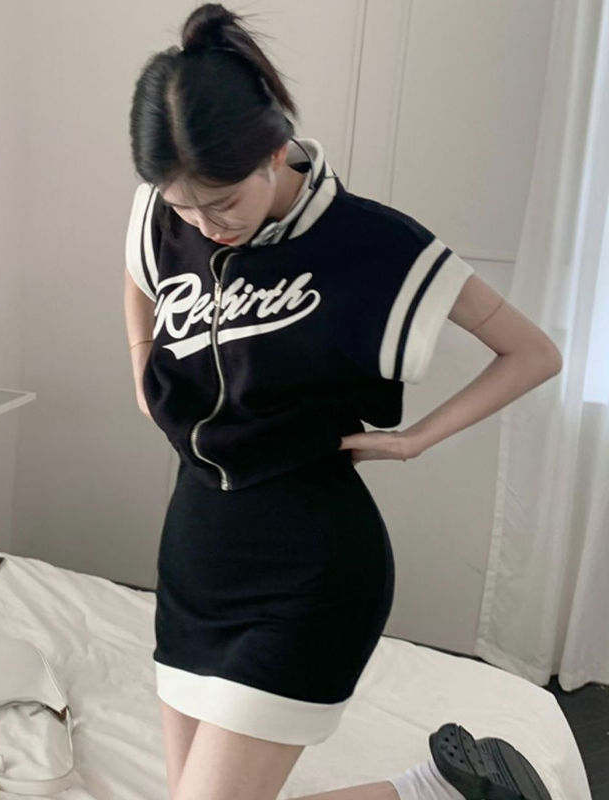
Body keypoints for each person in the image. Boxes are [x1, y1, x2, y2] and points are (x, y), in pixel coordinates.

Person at [124, 5, 561, 800]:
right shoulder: (168, 210)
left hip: (309, 573)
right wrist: (140, 362)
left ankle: (430, 792)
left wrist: (416, 438)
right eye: (182, 206)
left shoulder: (374, 244)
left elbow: (533, 352)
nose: (203, 225)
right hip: (193, 558)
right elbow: (137, 272)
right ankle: (440, 791)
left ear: (273, 151)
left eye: (220, 203)